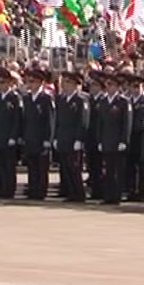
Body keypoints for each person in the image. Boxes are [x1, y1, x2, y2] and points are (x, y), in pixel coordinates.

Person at [97, 73, 132, 205]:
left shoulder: (123, 102)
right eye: (108, 85)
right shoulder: (104, 102)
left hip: (118, 141)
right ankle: (108, 195)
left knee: (118, 170)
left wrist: (124, 140)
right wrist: (100, 140)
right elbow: (100, 123)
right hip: (106, 140)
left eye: (112, 85)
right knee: (108, 170)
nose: (109, 88)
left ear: (117, 87)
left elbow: (126, 123)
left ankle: (116, 195)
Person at [54, 71, 90, 202]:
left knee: (74, 168)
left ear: (75, 84)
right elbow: (57, 121)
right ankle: (71, 193)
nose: (64, 85)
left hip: (74, 138)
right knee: (65, 167)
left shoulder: (81, 100)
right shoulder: (61, 99)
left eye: (68, 82)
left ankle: (79, 193)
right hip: (63, 137)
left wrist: (79, 139)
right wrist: (56, 137)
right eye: (64, 82)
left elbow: (83, 121)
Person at [0, 69, 22, 199]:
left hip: (9, 137)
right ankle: (0, 187)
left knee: (8, 165)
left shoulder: (14, 97)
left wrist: (14, 136)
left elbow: (17, 119)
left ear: (9, 83)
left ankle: (9, 189)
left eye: (2, 82)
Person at [22, 69, 54, 200]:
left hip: (41, 138)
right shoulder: (27, 98)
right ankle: (32, 189)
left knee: (41, 168)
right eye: (29, 81)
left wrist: (48, 139)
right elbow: (24, 120)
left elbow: (50, 120)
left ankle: (41, 191)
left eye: (33, 81)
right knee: (32, 167)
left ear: (40, 83)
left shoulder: (46, 98)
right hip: (30, 137)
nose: (30, 84)